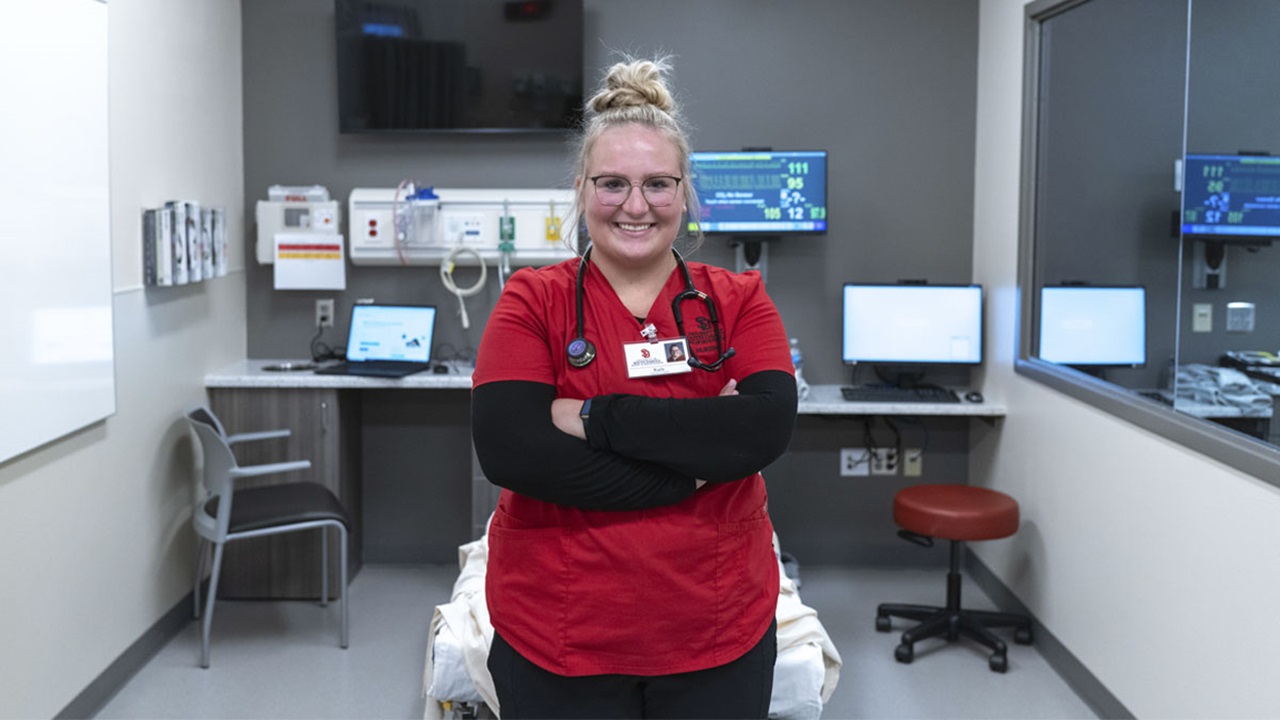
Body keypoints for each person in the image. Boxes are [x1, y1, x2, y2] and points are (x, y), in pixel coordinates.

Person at [470, 55, 798, 720]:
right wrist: (692, 469)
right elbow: (514, 452)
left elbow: (762, 428)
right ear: (583, 189)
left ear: (685, 192)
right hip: (558, 633)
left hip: (718, 628)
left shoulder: (738, 299)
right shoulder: (532, 300)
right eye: (613, 183)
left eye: (658, 184)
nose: (636, 206)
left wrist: (592, 416)